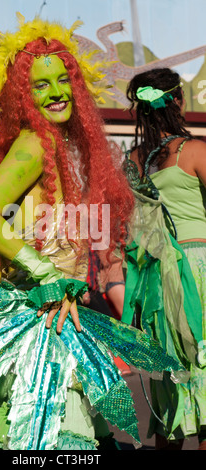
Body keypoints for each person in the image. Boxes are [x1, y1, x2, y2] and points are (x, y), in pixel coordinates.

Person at [0, 17, 184, 451]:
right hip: (38, 320)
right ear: (23, 96)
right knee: (58, 438)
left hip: (61, 317)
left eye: (62, 80)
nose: (56, 92)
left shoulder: (59, 146)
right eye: (41, 85)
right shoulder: (34, 144)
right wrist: (44, 273)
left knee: (73, 436)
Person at [122, 67, 206, 450]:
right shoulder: (195, 150)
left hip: (157, 278)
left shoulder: (131, 162)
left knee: (171, 371)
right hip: (198, 269)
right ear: (178, 101)